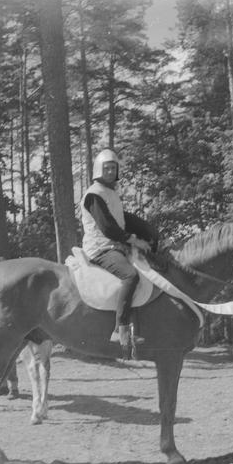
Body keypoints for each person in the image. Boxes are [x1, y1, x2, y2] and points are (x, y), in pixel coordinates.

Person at [81, 148, 159, 355]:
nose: (109, 171)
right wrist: (133, 239)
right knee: (130, 276)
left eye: (112, 168)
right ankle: (120, 330)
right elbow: (108, 227)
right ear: (99, 169)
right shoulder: (93, 195)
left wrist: (150, 233)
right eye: (106, 167)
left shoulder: (111, 194)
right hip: (100, 249)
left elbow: (124, 220)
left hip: (115, 246)